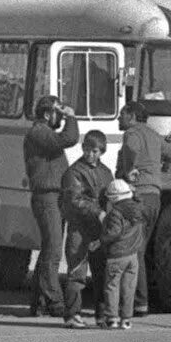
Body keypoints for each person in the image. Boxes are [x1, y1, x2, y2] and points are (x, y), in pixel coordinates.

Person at [22, 94, 79, 322]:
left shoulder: (43, 134)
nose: (61, 117)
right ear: (47, 114)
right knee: (53, 251)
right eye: (58, 112)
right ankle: (55, 302)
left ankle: (38, 302)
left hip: (54, 197)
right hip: (46, 198)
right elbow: (69, 138)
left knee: (48, 251)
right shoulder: (39, 133)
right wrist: (72, 118)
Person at [115, 101, 164, 318]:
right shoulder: (155, 135)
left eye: (122, 115)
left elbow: (131, 148)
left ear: (132, 116)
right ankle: (139, 302)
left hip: (139, 196)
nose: (119, 119)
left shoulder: (132, 133)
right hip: (154, 197)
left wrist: (127, 170)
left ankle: (139, 303)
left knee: (133, 251)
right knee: (140, 249)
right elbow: (170, 151)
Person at [61, 129, 113, 327]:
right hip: (79, 229)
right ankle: (72, 314)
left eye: (96, 151)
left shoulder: (106, 172)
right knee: (76, 272)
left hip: (100, 230)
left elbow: (111, 195)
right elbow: (74, 200)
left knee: (102, 273)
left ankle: (102, 315)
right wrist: (97, 211)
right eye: (88, 150)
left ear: (102, 152)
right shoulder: (73, 172)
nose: (91, 154)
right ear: (83, 149)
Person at [97, 178, 145, 330]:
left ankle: (112, 318)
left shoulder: (115, 214)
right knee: (129, 287)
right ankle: (126, 319)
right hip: (133, 256)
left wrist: (100, 241)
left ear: (112, 198)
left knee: (112, 286)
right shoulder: (138, 209)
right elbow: (139, 200)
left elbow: (114, 233)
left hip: (117, 255)